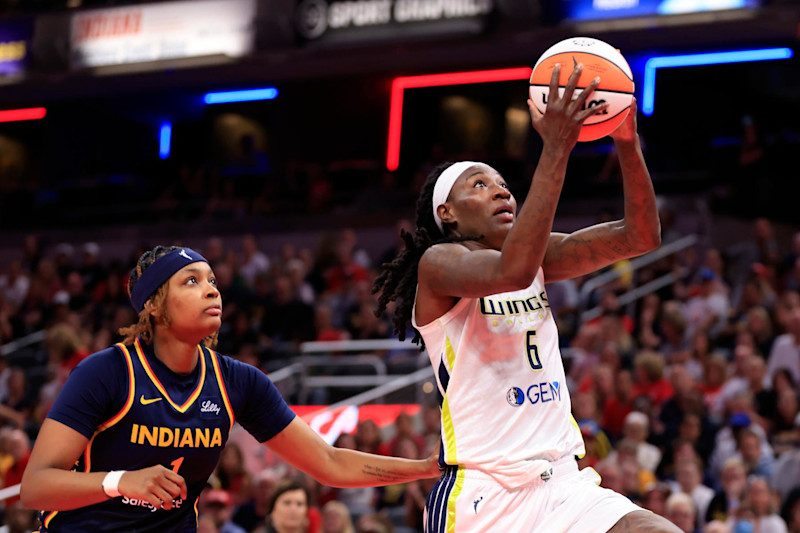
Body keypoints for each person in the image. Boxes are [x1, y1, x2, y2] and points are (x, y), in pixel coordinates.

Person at [373, 62, 678, 532]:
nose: (500, 192)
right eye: (480, 184)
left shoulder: (536, 256)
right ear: (447, 213)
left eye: (502, 184)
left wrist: (626, 142)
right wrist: (557, 145)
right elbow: (511, 272)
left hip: (563, 483)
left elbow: (640, 236)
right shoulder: (438, 265)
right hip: (485, 494)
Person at [20, 245, 440, 532]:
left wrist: (424, 468)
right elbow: (35, 486)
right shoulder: (107, 371)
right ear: (154, 304)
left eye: (212, 280)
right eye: (190, 281)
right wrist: (119, 482)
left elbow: (328, 462)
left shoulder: (239, 382)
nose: (211, 289)